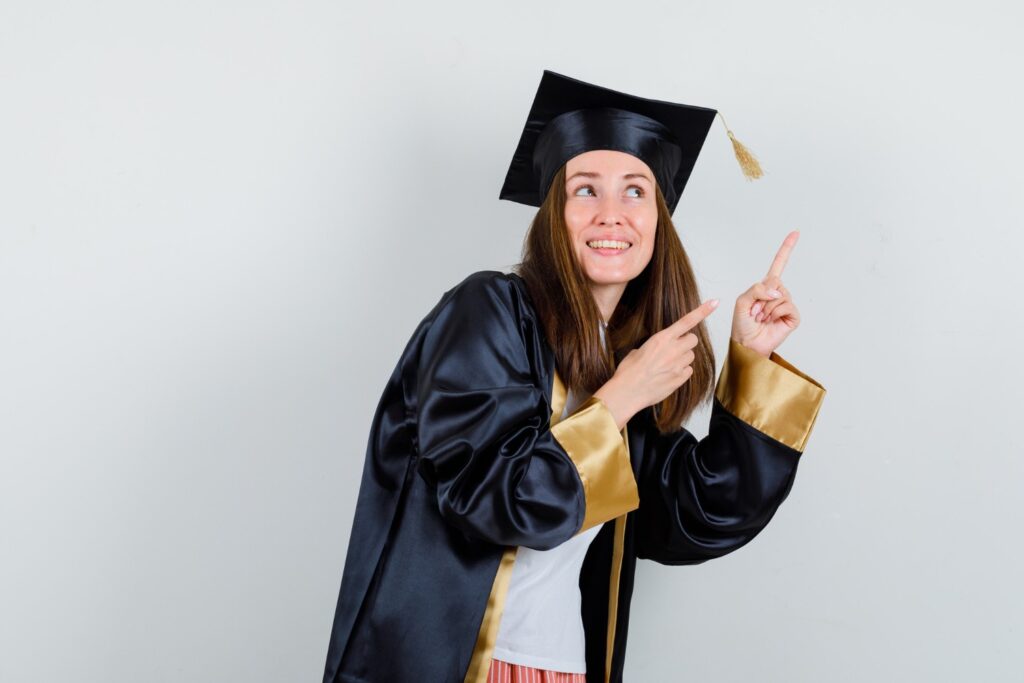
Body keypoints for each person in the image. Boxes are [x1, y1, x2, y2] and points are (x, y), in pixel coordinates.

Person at [322, 69, 826, 683]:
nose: (612, 214)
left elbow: (698, 515)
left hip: (565, 669)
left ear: (658, 222)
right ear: (554, 213)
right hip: (455, 666)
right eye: (586, 190)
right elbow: (491, 499)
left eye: (636, 191)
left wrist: (752, 362)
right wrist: (617, 402)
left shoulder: (618, 364)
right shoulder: (488, 312)